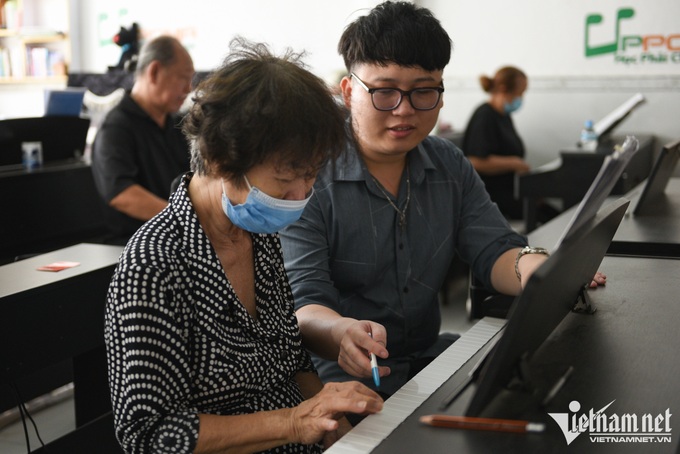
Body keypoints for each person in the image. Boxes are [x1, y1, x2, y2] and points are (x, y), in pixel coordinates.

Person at [279, 1, 606, 399]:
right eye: (384, 92)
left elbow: (493, 250)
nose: (404, 111)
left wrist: (540, 270)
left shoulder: (448, 164)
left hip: (427, 358)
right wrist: (339, 332)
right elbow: (305, 300)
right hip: (343, 379)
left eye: (423, 92)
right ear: (349, 92)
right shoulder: (309, 176)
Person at [104, 38, 383, 454]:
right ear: (220, 161)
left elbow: (290, 357)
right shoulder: (154, 266)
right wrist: (294, 421)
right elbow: (149, 435)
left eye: (310, 177)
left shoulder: (257, 235)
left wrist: (334, 428)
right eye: (285, 180)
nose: (301, 196)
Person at [91, 35, 194, 245]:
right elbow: (121, 194)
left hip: (175, 238)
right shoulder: (116, 127)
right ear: (154, 72)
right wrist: (183, 219)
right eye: (184, 78)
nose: (188, 89)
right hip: (134, 246)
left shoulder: (176, 124)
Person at [463, 66, 557, 221]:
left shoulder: (504, 116)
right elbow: (475, 161)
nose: (521, 98)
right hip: (492, 195)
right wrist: (514, 163)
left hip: (511, 189)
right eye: (520, 93)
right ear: (504, 89)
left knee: (554, 215)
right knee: (543, 220)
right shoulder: (485, 116)